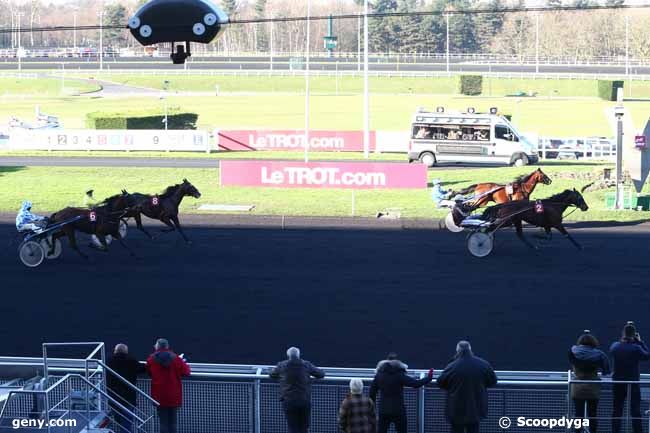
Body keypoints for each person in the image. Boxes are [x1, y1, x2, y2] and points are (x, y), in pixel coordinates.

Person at [436, 341, 497, 433]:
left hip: (456, 407)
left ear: (457, 350)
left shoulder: (452, 366)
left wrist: (451, 388)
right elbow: (493, 381)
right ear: (470, 349)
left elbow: (440, 382)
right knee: (474, 430)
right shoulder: (483, 364)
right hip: (476, 407)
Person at [369, 353, 433, 433]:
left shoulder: (379, 375)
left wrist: (373, 407)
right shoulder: (399, 375)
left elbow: (372, 392)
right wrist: (429, 378)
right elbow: (415, 384)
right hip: (398, 410)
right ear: (398, 362)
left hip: (383, 409)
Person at [269, 347, 325, 433]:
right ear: (298, 355)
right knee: (304, 427)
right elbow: (321, 374)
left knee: (292, 427)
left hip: (289, 400)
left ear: (288, 355)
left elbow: (272, 375)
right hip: (304, 400)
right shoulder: (306, 364)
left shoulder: (282, 365)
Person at [610, 322, 650, 433]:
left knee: (617, 410)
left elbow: (613, 350)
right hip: (633, 383)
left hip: (618, 382)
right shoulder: (636, 348)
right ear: (634, 335)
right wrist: (640, 341)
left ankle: (615, 431)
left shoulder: (615, 346)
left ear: (623, 333)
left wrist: (624, 339)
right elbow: (647, 355)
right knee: (635, 410)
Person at [568, 331, 610, 433]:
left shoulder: (572, 351)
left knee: (579, 414)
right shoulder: (600, 354)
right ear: (593, 342)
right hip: (593, 387)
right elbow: (606, 371)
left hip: (577, 387)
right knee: (593, 415)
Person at [146, 338, 191, 433]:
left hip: (159, 395)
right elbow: (186, 372)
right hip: (174, 394)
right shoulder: (176, 359)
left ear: (157, 346)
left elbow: (148, 371)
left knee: (163, 422)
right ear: (167, 346)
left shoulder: (151, 359)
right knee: (173, 422)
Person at [107, 344, 146, 433]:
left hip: (113, 395)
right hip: (129, 396)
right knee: (127, 420)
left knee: (118, 417)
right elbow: (143, 369)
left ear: (115, 351)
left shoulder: (109, 360)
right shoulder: (131, 361)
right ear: (126, 351)